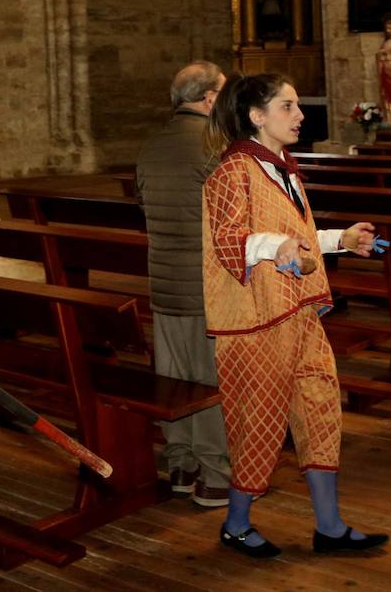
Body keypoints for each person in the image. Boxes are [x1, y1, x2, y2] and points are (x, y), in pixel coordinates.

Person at [202, 73, 387, 558]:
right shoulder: (232, 172)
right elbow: (228, 241)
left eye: (297, 105)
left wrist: (341, 239)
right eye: (287, 106)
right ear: (256, 116)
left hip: (297, 312)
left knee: (320, 409)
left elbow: (295, 236)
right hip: (256, 320)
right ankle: (235, 524)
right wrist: (276, 246)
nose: (300, 114)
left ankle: (330, 527)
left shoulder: (282, 168)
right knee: (258, 421)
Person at [135, 61, 230, 507]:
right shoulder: (214, 145)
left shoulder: (151, 146)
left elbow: (144, 205)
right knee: (208, 381)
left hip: (163, 284)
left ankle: (180, 466)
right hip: (205, 285)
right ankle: (215, 476)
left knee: (174, 378)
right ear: (209, 98)